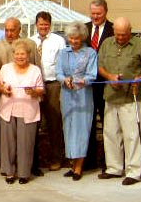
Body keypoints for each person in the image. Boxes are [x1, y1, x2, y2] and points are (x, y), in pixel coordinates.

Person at [97, 17, 141, 186]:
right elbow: (101, 67)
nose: (120, 38)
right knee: (111, 133)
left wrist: (139, 78)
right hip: (111, 95)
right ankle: (113, 168)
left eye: (124, 35)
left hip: (131, 96)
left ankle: (133, 171)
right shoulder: (107, 43)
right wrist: (110, 76)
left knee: (132, 135)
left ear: (130, 31)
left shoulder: (139, 44)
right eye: (118, 34)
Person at [0, 17, 40, 173]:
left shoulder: (30, 44)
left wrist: (38, 91)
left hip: (28, 99)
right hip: (7, 96)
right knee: (7, 136)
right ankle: (8, 167)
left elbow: (37, 65)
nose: (9, 33)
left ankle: (30, 167)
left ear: (19, 30)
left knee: (28, 136)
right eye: (7, 30)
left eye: (12, 30)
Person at [0, 39, 45, 185]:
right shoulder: (5, 68)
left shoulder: (35, 70)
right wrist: (3, 89)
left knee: (26, 143)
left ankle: (24, 173)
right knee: (7, 143)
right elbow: (0, 85)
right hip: (7, 108)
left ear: (28, 55)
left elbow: (41, 89)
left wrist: (34, 91)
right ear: (13, 55)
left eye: (23, 54)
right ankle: (9, 172)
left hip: (28, 110)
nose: (20, 57)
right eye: (17, 54)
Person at [55, 21, 98, 181]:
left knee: (81, 130)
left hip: (83, 96)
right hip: (67, 95)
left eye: (77, 39)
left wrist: (82, 81)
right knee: (69, 129)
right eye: (71, 38)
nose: (74, 41)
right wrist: (64, 80)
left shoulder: (90, 53)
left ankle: (79, 166)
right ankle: (72, 164)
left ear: (83, 38)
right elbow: (58, 72)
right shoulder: (63, 53)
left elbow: (92, 75)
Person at [29, 11, 66, 172]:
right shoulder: (30, 40)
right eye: (40, 24)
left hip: (52, 85)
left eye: (46, 24)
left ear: (50, 25)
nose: (43, 27)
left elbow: (63, 63)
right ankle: (34, 160)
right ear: (36, 24)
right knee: (33, 123)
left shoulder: (59, 41)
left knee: (54, 123)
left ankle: (57, 158)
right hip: (35, 86)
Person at [84, 0, 114, 171]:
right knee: (88, 124)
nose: (95, 16)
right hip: (87, 86)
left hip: (106, 85)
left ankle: (109, 163)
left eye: (98, 14)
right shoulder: (85, 29)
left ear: (106, 12)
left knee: (107, 125)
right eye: (93, 13)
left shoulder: (112, 30)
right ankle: (88, 162)